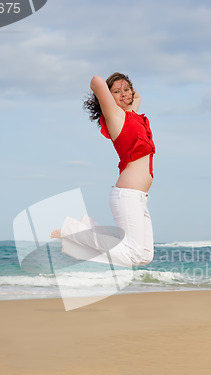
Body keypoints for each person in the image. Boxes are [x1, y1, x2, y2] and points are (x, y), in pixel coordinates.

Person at [50, 72, 155, 268]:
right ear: (108, 97)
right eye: (116, 91)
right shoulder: (115, 116)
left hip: (140, 197)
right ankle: (73, 232)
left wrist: (126, 90)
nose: (123, 94)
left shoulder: (133, 114)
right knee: (133, 256)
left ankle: (91, 233)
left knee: (145, 256)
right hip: (127, 195)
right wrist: (108, 94)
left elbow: (137, 97)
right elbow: (96, 81)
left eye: (126, 89)